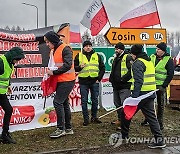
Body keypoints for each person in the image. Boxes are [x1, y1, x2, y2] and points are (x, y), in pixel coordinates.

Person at [120, 44, 166, 149]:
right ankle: (160, 140)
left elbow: (138, 80)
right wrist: (122, 79)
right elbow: (132, 75)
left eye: (131, 53)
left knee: (125, 114)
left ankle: (124, 136)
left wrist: (134, 97)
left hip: (141, 95)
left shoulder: (137, 63)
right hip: (149, 93)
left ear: (134, 54)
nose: (131, 55)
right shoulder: (148, 61)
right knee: (151, 118)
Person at [44, 31, 76, 138]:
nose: (47, 44)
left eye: (48, 42)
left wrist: (53, 72)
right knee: (64, 103)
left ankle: (60, 129)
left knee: (57, 102)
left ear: (53, 41)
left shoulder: (65, 48)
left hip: (67, 80)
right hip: (61, 80)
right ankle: (68, 128)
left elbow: (67, 65)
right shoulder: (54, 50)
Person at [141, 42, 174, 130]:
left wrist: (164, 85)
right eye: (156, 48)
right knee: (147, 103)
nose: (157, 50)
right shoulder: (152, 57)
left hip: (160, 86)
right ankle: (148, 119)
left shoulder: (168, 59)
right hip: (150, 84)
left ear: (163, 51)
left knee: (160, 105)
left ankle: (160, 123)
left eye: (159, 49)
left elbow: (170, 74)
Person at [74, 40, 105, 126]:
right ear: (83, 47)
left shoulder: (97, 55)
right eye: (86, 46)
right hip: (83, 82)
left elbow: (102, 68)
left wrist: (99, 78)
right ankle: (86, 119)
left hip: (94, 81)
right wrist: (79, 67)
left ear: (91, 47)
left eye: (89, 46)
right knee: (84, 101)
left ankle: (94, 117)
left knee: (95, 100)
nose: (88, 47)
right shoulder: (79, 56)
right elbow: (73, 68)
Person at [0, 47, 25, 144]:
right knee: (9, 110)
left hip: (2, 93)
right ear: (12, 56)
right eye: (17, 59)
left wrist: (8, 85)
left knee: (9, 110)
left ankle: (4, 135)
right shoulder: (1, 62)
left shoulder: (10, 63)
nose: (17, 61)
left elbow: (5, 77)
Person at [109, 42, 132, 130]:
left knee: (124, 105)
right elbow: (114, 69)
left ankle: (125, 123)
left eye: (117, 49)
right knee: (117, 104)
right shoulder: (116, 57)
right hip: (116, 86)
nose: (116, 50)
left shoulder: (127, 57)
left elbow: (131, 70)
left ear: (122, 49)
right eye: (115, 49)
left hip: (124, 86)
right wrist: (111, 78)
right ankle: (120, 119)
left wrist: (123, 79)